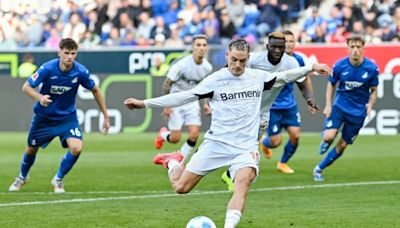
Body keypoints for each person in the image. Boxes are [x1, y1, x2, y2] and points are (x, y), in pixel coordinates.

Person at [124, 38, 331, 228]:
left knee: (242, 184)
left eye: (242, 61)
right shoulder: (215, 80)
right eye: (234, 60)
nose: (238, 65)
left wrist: (311, 67)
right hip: (216, 143)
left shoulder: (258, 77)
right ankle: (173, 161)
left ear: (248, 59)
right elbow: (184, 97)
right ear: (226, 56)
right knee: (180, 188)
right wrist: (144, 103)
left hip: (245, 147)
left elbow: (286, 76)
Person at [9, 38, 110, 193]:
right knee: (31, 149)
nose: (69, 57)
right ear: (59, 52)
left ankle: (58, 178)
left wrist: (106, 115)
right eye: (66, 53)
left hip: (67, 118)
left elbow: (95, 90)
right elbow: (26, 86)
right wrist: (40, 98)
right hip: (44, 118)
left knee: (76, 148)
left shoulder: (80, 71)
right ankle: (22, 177)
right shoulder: (48, 68)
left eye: (73, 53)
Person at [313, 35, 379, 181]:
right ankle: (326, 139)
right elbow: (331, 84)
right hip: (340, 106)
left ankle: (319, 169)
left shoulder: (371, 68)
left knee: (343, 145)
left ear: (363, 48)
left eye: (358, 47)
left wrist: (371, 104)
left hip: (358, 112)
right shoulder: (340, 65)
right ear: (347, 48)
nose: (355, 50)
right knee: (329, 136)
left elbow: (374, 90)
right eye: (352, 47)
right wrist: (328, 105)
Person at [259, 30, 319, 174]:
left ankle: (283, 163)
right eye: (286, 42)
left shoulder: (298, 60)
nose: (289, 44)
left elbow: (304, 81)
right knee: (275, 142)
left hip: (289, 106)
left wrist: (310, 100)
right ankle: (264, 143)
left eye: (292, 41)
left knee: (295, 136)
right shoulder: (269, 60)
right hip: (272, 107)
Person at [154, 34, 212, 164]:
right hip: (176, 101)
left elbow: (204, 87)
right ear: (192, 47)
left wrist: (206, 104)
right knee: (175, 138)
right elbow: (167, 84)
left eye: (204, 45)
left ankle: (180, 161)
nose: (201, 48)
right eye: (198, 45)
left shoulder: (207, 67)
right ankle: (163, 134)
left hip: (192, 101)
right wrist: (167, 105)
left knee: (194, 134)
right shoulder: (181, 65)